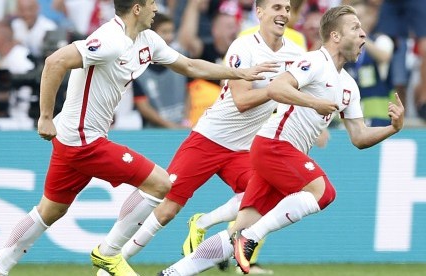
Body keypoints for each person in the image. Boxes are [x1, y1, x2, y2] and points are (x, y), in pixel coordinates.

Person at [0, 0, 276, 275]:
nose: (156, 9)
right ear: (136, 8)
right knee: (160, 183)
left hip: (75, 140)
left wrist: (241, 74)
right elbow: (55, 61)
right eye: (151, 4)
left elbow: (189, 65)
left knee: (48, 211)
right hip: (84, 141)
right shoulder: (109, 40)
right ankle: (109, 252)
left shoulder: (147, 39)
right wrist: (44, 116)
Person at [158, 5, 405, 275]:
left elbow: (359, 137)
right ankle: (251, 238)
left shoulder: (348, 86)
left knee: (236, 232)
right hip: (274, 145)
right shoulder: (313, 61)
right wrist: (314, 103)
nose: (363, 36)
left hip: (281, 154)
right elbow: (276, 87)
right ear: (335, 36)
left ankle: (172, 272)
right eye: (355, 28)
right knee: (324, 193)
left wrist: (393, 128)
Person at [116, 0, 303, 272]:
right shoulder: (243, 46)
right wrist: (277, 91)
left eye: (286, 8)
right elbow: (241, 100)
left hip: (242, 149)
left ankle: (202, 224)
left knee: (264, 197)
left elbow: (303, 93)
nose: (283, 14)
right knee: (166, 210)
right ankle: (113, 262)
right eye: (276, 7)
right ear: (259, 12)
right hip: (209, 139)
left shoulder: (297, 54)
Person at [132, 12, 189, 129]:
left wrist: (185, 120)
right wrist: (170, 126)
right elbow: (142, 105)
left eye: (171, 31)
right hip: (153, 133)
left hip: (181, 126)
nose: (170, 37)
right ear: (151, 35)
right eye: (164, 32)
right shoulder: (137, 67)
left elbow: (189, 92)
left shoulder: (181, 57)